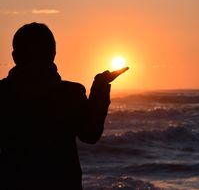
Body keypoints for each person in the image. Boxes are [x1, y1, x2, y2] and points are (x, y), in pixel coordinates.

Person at [0, 22, 128, 190]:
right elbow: (90, 135)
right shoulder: (70, 93)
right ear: (53, 54)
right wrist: (100, 86)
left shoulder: (3, 94)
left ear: (15, 56)